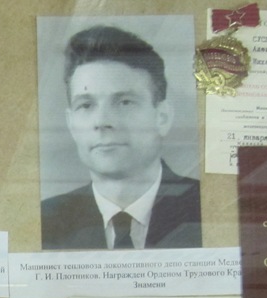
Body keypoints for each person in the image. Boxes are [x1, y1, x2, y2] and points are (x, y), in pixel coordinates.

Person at [41, 25, 201, 250]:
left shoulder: (208, 207)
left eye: (125, 102)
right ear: (71, 124)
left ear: (162, 117)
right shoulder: (45, 221)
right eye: (86, 105)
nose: (102, 121)